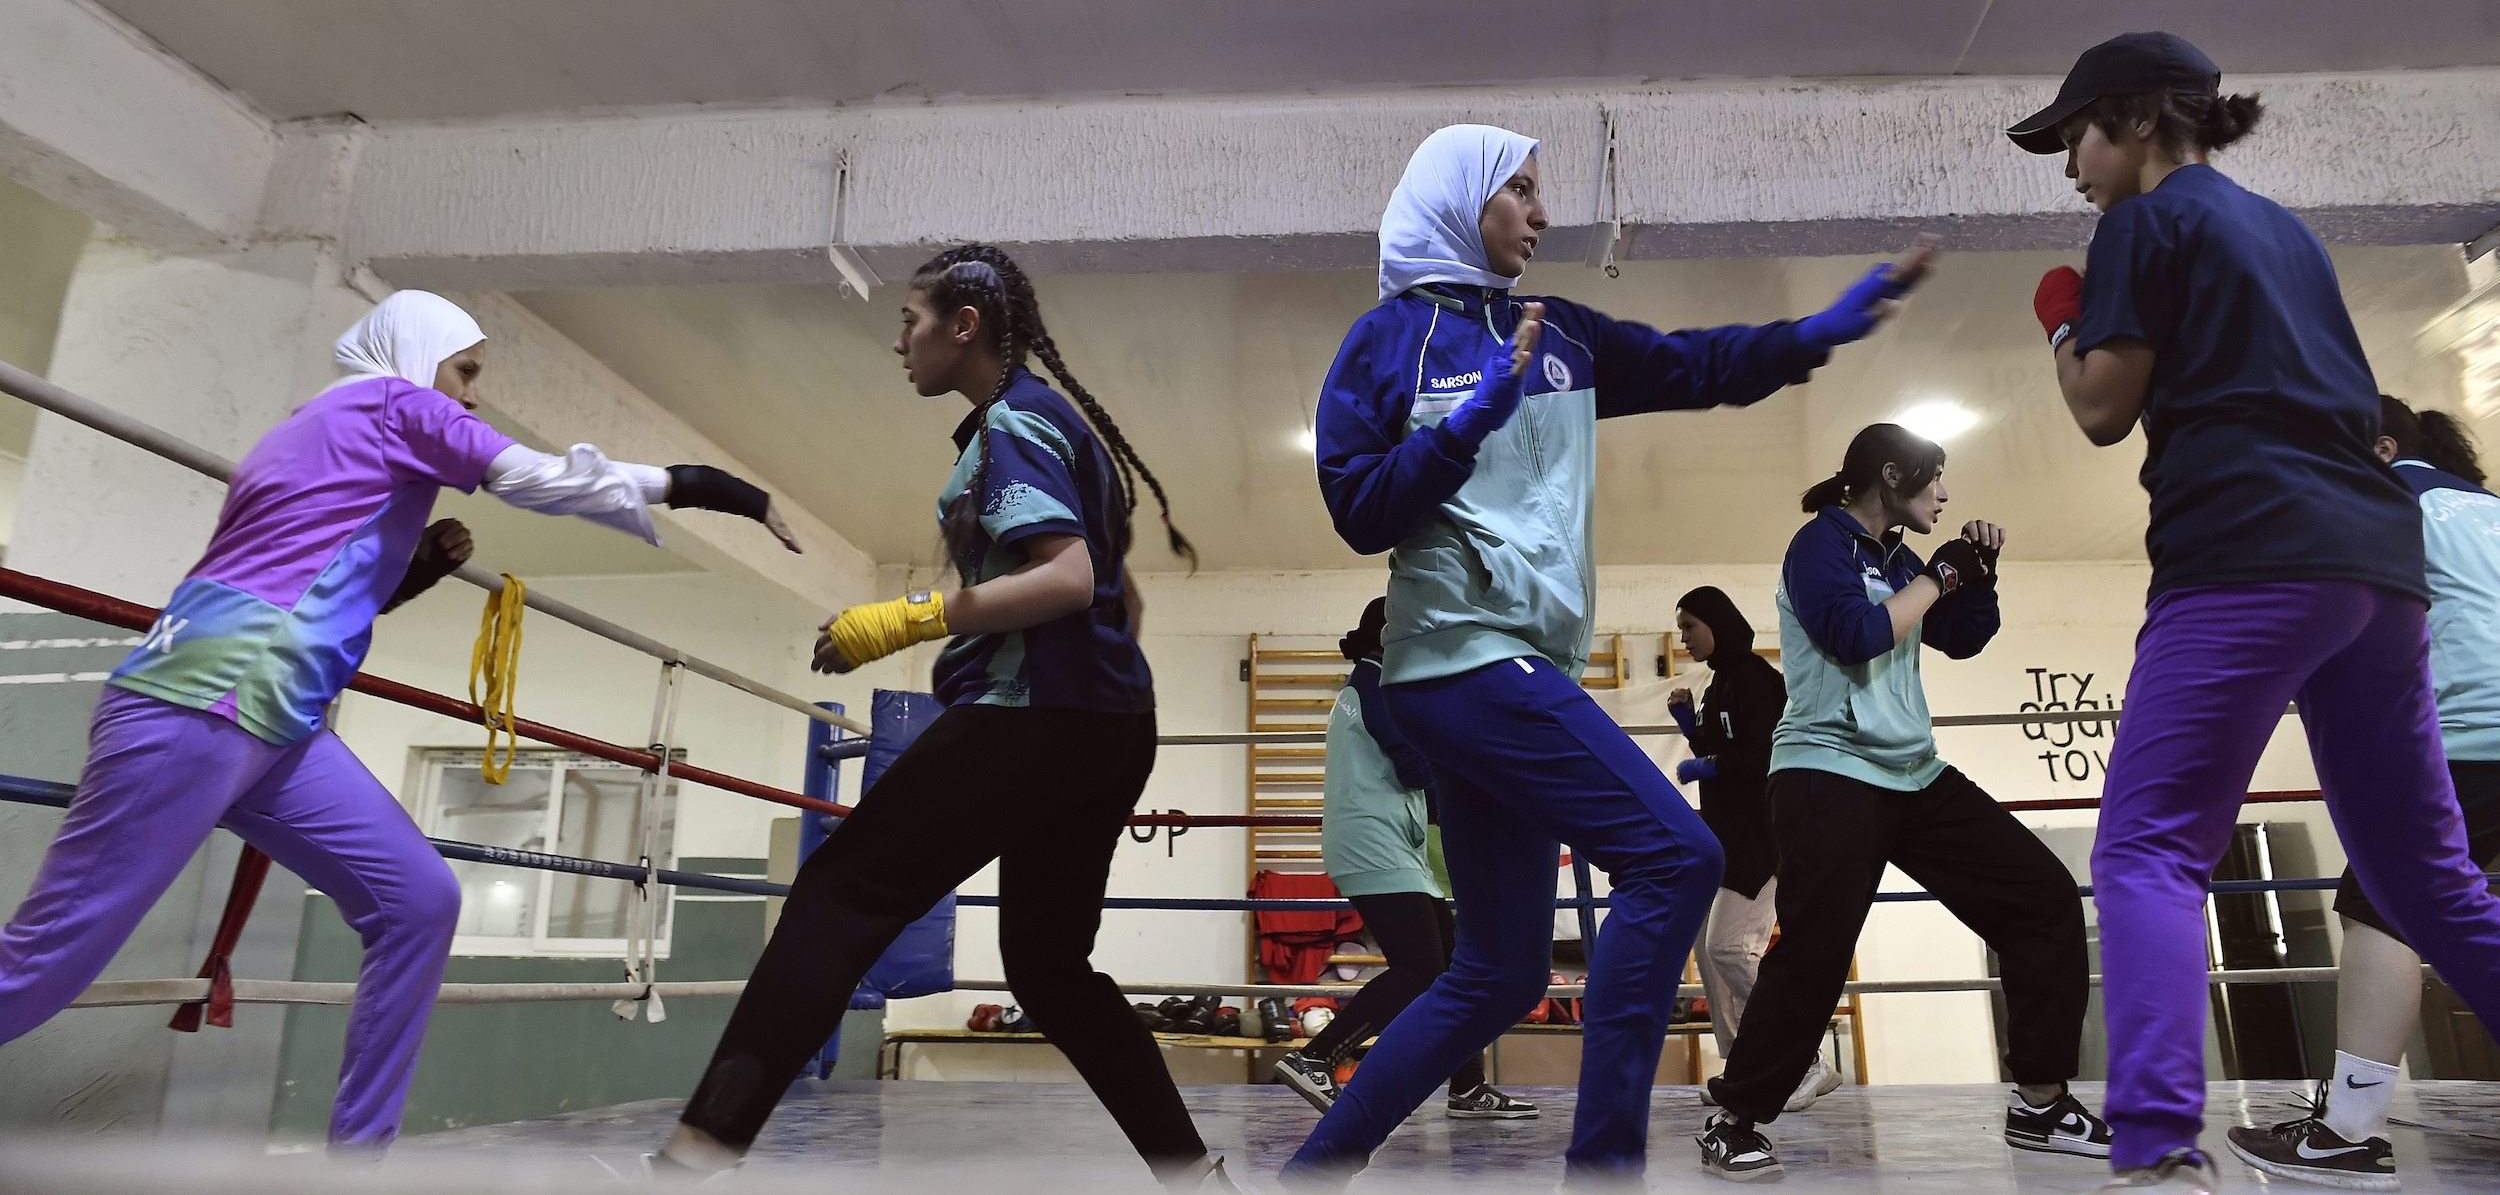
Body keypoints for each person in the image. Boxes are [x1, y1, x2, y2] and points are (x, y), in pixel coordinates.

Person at [1284, 123, 1936, 1187]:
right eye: (1523, 191)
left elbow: (1699, 364)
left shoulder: (1565, 336)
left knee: (1495, 972)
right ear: (1461, 198)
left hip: (1505, 668)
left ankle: (1311, 1173)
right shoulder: (1386, 339)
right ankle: (1604, 1169)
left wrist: (1824, 323)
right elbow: (1356, 509)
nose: (1543, 214)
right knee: (1679, 856)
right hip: (1457, 655)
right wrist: (1463, 424)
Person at [0, 290, 794, 1152]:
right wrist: (716, 489)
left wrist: (411, 569)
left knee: (418, 901)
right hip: (204, 697)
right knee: (49, 959)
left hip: (279, 725)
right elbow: (533, 477)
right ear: (417, 356)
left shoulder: (331, 428)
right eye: (467, 370)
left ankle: (360, 1160)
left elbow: (320, 589)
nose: (472, 395)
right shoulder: (390, 399)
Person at [2009, 32, 2500, 1191]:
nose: (2070, 167)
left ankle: (2157, 1148)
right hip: (2375, 571)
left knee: (2145, 847)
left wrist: (2059, 318)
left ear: (2131, 120)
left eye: (2074, 137)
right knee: (2430, 877)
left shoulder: (2141, 220)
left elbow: (2097, 409)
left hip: (2244, 553)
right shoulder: (2286, 228)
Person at [653, 245, 1236, 1191]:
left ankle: (692, 1158)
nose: (898, 341)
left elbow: (1070, 578)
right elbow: (1118, 596)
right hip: (1108, 723)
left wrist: (905, 619)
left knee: (838, 896)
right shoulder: (1054, 422)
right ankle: (1193, 1175)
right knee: (1047, 969)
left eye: (911, 320)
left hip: (1037, 716)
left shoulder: (1013, 423)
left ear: (964, 326)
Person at [1695, 423, 2107, 1181]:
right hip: (1828, 770)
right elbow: (1853, 636)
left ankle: (2042, 1103)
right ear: (1892, 474)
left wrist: (1976, 573)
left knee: (2043, 896)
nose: (1946, 495)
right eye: (1935, 479)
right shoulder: (1818, 545)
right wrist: (1937, 577)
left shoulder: (1899, 558)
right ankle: (1737, 1117)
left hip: (1913, 772)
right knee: (1816, 946)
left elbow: (1960, 637)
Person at [2227, 399, 2500, 1189]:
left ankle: (2348, 1129)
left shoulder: (2390, 500)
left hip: (2468, 738)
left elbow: (2329, 617)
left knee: (2379, 904)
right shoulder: (2483, 507)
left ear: (2382, 447)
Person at [1272, 596, 1535, 1121]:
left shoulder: (1378, 685)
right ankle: (1316, 1057)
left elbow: (1427, 790)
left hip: (1392, 844)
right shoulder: (1376, 684)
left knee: (1458, 968)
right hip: (1374, 845)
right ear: (1387, 637)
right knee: (1419, 967)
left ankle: (1466, 1086)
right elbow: (1418, 768)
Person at [1666, 587, 1788, 1069]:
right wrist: (1690, 732)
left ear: (1716, 624)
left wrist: (1710, 764)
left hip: (1761, 843)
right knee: (1713, 958)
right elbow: (1722, 755)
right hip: (1730, 843)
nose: (1684, 638)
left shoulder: (1755, 679)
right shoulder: (1720, 683)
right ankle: (1741, 1069)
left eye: (1690, 627)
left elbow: (1763, 758)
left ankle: (1799, 1053)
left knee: (1728, 950)